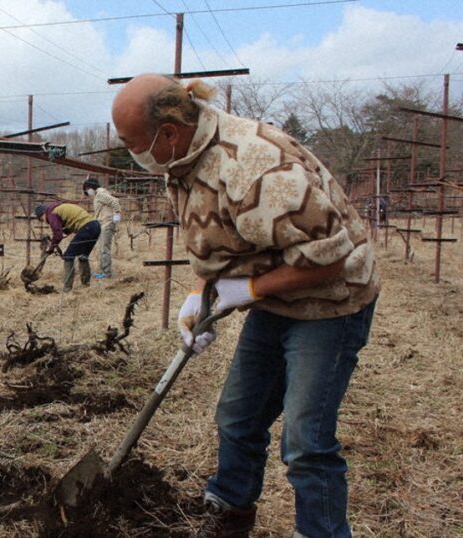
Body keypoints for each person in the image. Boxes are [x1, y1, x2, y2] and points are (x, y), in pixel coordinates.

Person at [111, 74, 379, 538]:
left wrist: (250, 291)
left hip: (331, 301)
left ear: (168, 133)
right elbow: (217, 239)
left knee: (305, 441)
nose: (132, 152)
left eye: (133, 142)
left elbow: (332, 258)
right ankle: (229, 512)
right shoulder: (185, 161)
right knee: (238, 417)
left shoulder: (259, 166)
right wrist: (202, 291)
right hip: (279, 298)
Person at [33, 202, 101, 292]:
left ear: (43, 214)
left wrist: (51, 247)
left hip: (86, 227)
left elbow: (58, 235)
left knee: (68, 256)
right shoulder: (58, 209)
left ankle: (67, 288)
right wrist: (55, 240)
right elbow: (66, 228)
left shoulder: (51, 213)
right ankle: (85, 284)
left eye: (41, 219)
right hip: (95, 226)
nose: (44, 222)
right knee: (82, 255)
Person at [82, 176, 123, 279]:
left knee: (104, 249)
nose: (87, 192)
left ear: (91, 187)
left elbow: (115, 202)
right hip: (103, 224)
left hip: (107, 223)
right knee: (102, 249)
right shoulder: (99, 195)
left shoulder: (101, 194)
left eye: (87, 190)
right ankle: (104, 271)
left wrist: (116, 218)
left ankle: (106, 273)